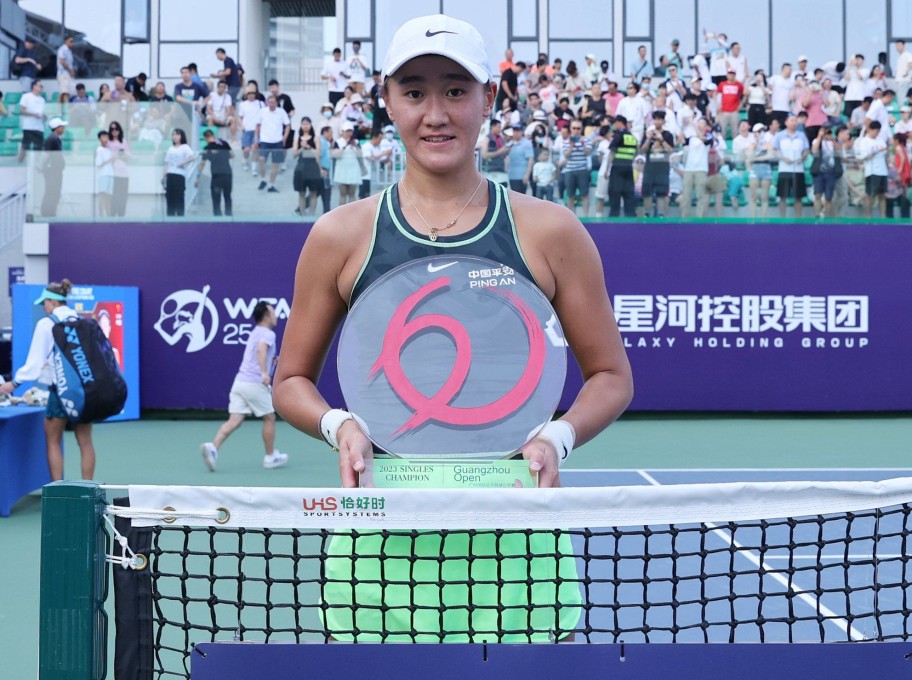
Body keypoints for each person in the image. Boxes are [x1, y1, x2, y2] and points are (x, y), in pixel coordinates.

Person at [272, 14, 632, 642]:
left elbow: (611, 376)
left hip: (518, 544)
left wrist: (559, 439)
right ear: (387, 101)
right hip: (379, 543)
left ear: (489, 98)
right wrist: (340, 426)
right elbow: (292, 380)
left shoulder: (551, 231)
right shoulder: (338, 235)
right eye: (413, 92)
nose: (434, 113)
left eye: (456, 90)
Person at [1, 280, 97, 481]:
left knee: (53, 440)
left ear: (53, 302)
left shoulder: (46, 323)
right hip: (86, 391)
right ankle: (89, 489)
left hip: (60, 391)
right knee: (85, 441)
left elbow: (34, 364)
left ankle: (57, 492)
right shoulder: (82, 321)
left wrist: (13, 384)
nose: (44, 308)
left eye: (45, 303)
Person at [200, 302, 287, 472]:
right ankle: (270, 457)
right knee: (269, 417)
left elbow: (262, 353)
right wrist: (264, 373)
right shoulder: (268, 334)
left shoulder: (255, 332)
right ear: (267, 317)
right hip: (254, 382)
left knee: (235, 420)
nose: (276, 315)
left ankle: (213, 448)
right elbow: (261, 350)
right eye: (273, 312)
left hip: (239, 382)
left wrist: (272, 361)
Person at [255, 94, 291, 192]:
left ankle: (271, 185)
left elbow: (288, 125)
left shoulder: (281, 112)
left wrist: (284, 138)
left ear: (276, 103)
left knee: (275, 165)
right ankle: (263, 179)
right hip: (265, 141)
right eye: (270, 102)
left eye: (273, 102)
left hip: (277, 141)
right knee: (261, 159)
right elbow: (257, 125)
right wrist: (256, 138)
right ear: (267, 102)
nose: (271, 104)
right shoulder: (262, 112)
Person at [195, 129, 233, 216]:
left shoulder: (207, 148)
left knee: (216, 198)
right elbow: (232, 155)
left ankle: (218, 218)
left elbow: (202, 164)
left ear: (205, 138)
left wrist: (197, 177)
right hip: (227, 174)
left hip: (216, 175)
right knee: (227, 196)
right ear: (213, 136)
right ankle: (229, 216)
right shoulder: (224, 143)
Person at [291, 116, 321, 216]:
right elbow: (294, 154)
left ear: (310, 124)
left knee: (313, 193)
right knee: (301, 193)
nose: (305, 126)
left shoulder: (315, 138)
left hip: (313, 167)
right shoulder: (297, 139)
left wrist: (308, 147)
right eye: (303, 124)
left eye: (307, 124)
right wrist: (301, 148)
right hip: (301, 167)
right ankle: (302, 213)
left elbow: (318, 154)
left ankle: (312, 214)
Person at [331, 120, 364, 205]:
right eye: (347, 131)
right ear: (342, 131)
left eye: (350, 131)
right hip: (342, 169)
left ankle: (352, 215)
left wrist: (355, 146)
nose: (349, 133)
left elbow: (360, 155)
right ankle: (342, 215)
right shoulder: (338, 142)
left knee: (352, 193)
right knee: (343, 193)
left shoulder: (356, 142)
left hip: (353, 169)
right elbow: (335, 154)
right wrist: (345, 146)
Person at [163, 128, 195, 217]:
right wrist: (164, 175)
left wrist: (183, 162)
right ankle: (170, 217)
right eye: (173, 135)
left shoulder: (185, 147)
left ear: (181, 136)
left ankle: (180, 217)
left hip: (179, 174)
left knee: (179, 196)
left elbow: (192, 157)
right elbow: (167, 163)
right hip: (170, 174)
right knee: (170, 197)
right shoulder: (170, 148)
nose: (175, 137)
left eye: (177, 135)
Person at [40, 117, 67, 218]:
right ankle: (48, 213)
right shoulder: (53, 139)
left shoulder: (54, 138)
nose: (63, 128)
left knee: (54, 192)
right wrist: (42, 166)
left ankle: (50, 212)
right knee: (52, 191)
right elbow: (46, 155)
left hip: (55, 170)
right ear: (57, 127)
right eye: (61, 126)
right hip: (52, 170)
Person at [17, 79, 46, 163]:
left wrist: (44, 116)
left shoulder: (42, 100)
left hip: (39, 127)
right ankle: (19, 162)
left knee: (39, 148)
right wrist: (33, 114)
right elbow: (21, 110)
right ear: (34, 86)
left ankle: (37, 165)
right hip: (29, 126)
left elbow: (43, 113)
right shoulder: (26, 96)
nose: (41, 88)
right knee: (25, 146)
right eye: (40, 86)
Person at [107, 121, 131, 217]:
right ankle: (112, 214)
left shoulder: (123, 142)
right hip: (113, 172)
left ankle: (121, 214)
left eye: (116, 129)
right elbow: (109, 158)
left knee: (123, 195)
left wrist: (120, 155)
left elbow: (127, 156)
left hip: (123, 172)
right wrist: (117, 155)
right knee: (114, 195)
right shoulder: (108, 142)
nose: (114, 131)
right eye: (112, 129)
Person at [94, 130, 114, 217]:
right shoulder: (99, 150)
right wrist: (110, 160)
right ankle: (101, 215)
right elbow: (98, 164)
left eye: (107, 137)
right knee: (103, 195)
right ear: (99, 138)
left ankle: (108, 215)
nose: (105, 139)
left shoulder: (109, 150)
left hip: (111, 174)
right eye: (103, 137)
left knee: (109, 196)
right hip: (103, 175)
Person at [56, 35, 75, 104]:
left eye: (73, 42)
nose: (73, 43)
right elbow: (62, 61)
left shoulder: (69, 51)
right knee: (65, 92)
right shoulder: (63, 49)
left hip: (67, 74)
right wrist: (71, 71)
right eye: (71, 41)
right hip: (63, 73)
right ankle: (66, 110)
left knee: (65, 92)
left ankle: (59, 110)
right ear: (66, 41)